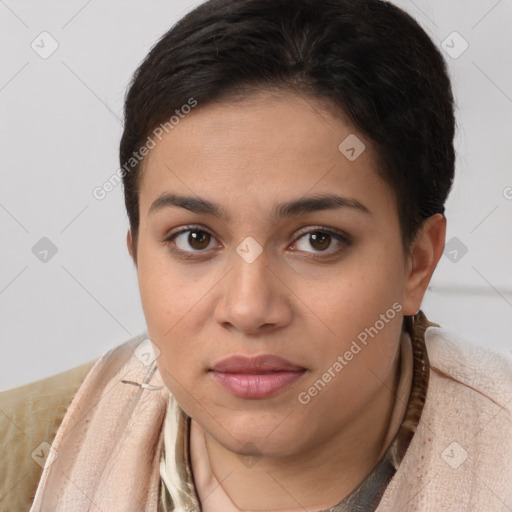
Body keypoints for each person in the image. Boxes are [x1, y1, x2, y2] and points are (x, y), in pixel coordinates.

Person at [1, 0, 511, 510]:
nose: (248, 309)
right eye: (195, 239)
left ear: (417, 262)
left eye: (318, 240)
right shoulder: (19, 462)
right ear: (138, 256)